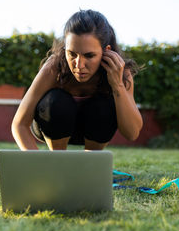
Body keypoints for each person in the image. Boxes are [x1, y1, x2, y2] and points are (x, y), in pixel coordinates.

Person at [12, 9, 143, 150]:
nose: (79, 65)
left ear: (106, 51)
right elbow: (19, 124)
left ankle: (90, 162)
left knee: (104, 106)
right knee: (57, 101)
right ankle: (57, 160)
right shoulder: (53, 67)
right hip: (52, 126)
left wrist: (117, 85)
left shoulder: (120, 71)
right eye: (72, 54)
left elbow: (132, 133)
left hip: (93, 129)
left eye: (89, 55)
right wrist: (38, 164)